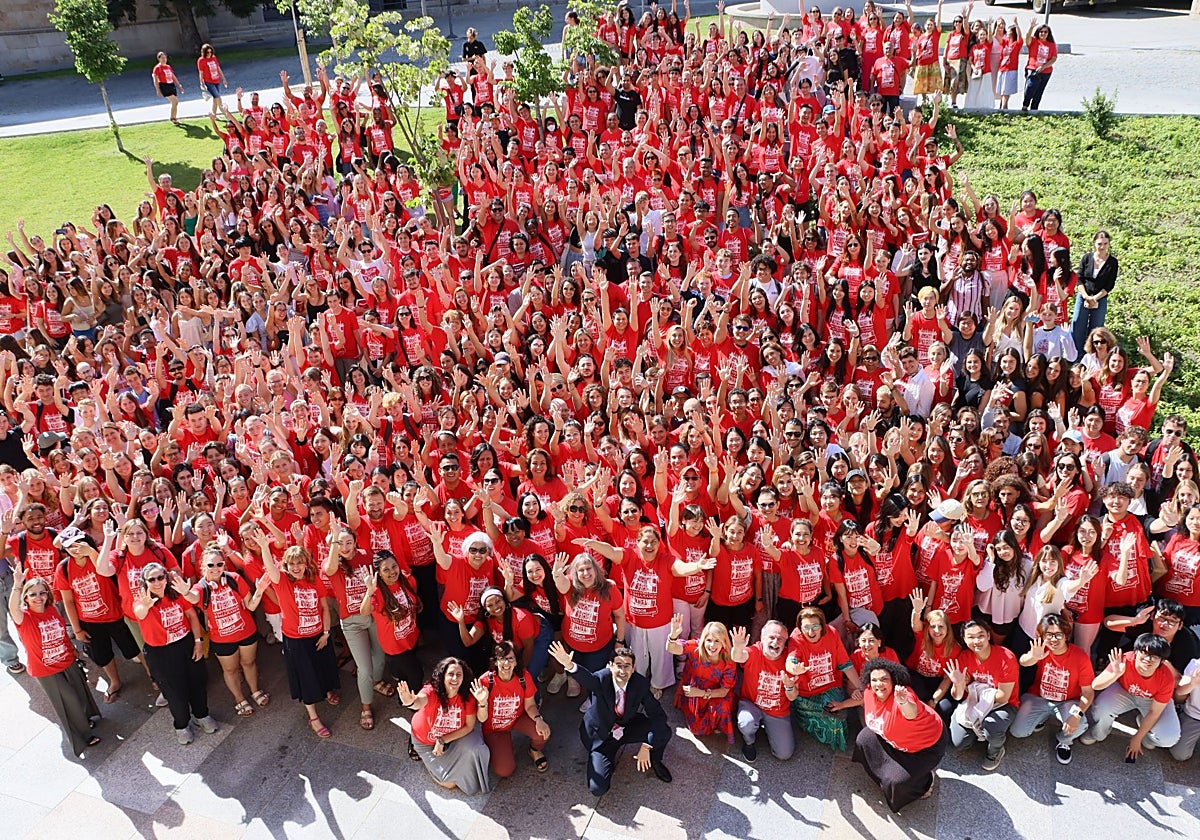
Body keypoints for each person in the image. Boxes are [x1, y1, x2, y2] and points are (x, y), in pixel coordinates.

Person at [548, 639, 673, 796]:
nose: (622, 671)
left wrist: (647, 745)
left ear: (633, 668)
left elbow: (658, 714)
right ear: (610, 666)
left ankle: (655, 759)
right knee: (597, 788)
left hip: (627, 725)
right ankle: (604, 758)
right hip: (602, 736)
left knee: (663, 731)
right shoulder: (601, 679)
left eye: (627, 666)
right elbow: (588, 679)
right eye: (618, 665)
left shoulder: (639, 683)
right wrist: (569, 665)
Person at [9, 564, 101, 756]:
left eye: (42, 593)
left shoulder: (52, 610)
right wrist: (17, 584)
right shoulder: (24, 617)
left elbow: (61, 633)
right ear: (25, 597)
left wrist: (72, 650)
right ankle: (83, 735)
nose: (38, 597)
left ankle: (84, 720)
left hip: (67, 660)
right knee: (68, 700)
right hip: (45, 670)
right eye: (33, 594)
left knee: (79, 693)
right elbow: (12, 607)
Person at [256, 537, 340, 738]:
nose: (296, 567)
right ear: (286, 566)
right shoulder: (282, 582)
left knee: (324, 668)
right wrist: (264, 547)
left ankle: (327, 690)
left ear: (306, 564)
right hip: (296, 641)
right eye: (291, 564)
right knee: (306, 677)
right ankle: (313, 717)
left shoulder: (314, 579)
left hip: (318, 635)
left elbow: (324, 608)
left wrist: (326, 633)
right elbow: (271, 568)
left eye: (299, 563)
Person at [133, 563, 217, 744]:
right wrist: (145, 606)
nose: (157, 582)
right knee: (175, 692)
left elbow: (192, 616)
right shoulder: (142, 600)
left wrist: (198, 642)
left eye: (160, 577)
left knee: (198, 682)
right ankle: (182, 725)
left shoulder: (176, 594)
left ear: (166, 578)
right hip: (161, 653)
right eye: (151, 579)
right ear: (145, 582)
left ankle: (201, 715)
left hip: (185, 644)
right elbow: (139, 613)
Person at [182, 544, 270, 716]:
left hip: (246, 632)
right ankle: (239, 698)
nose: (216, 568)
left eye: (219, 564)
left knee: (249, 663)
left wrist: (259, 591)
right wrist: (185, 592)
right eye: (211, 565)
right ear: (203, 566)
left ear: (224, 564)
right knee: (230, 670)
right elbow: (193, 598)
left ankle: (254, 690)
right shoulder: (201, 588)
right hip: (222, 640)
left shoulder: (234, 579)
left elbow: (251, 606)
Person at [852, 657, 946, 813]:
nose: (878, 684)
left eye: (884, 679)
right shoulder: (869, 692)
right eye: (874, 680)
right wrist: (841, 704)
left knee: (897, 782)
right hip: (894, 739)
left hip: (924, 747)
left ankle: (926, 781)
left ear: (893, 681)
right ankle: (884, 776)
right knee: (864, 739)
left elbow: (911, 712)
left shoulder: (903, 695)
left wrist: (903, 702)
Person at [400, 657, 493, 794]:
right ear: (443, 675)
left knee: (475, 748)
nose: (455, 678)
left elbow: (469, 726)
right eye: (450, 674)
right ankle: (424, 758)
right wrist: (410, 701)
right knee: (449, 784)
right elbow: (419, 701)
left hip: (452, 738)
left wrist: (443, 740)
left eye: (459, 674)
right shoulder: (432, 690)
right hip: (426, 741)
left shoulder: (467, 696)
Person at [1010, 612, 1094, 764]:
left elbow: (1088, 692)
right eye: (1049, 635)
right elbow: (1023, 662)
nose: (1054, 639)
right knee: (1017, 732)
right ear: (1042, 636)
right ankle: (1041, 717)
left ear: (1066, 635)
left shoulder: (1080, 657)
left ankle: (1064, 741)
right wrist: (1034, 656)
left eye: (1058, 634)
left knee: (1080, 724)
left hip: (1067, 701)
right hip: (1038, 697)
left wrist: (1076, 715)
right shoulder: (1042, 650)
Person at [1082, 634, 1181, 759]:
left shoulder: (1166, 678)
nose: (1148, 659)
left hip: (1152, 700)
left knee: (1169, 737)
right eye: (1144, 652)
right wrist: (1115, 674)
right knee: (1101, 708)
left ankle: (1147, 735)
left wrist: (1137, 738)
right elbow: (1095, 685)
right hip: (1125, 690)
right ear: (1136, 652)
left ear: (1162, 661)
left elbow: (1154, 712)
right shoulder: (1124, 660)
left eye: (1155, 656)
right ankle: (1099, 733)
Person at [939, 619, 1018, 771]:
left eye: (980, 635)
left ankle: (996, 749)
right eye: (971, 637)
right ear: (964, 639)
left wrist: (975, 690)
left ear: (988, 635)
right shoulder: (964, 657)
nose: (976, 641)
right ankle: (977, 732)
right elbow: (957, 696)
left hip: (1002, 705)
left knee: (991, 726)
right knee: (957, 743)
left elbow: (1003, 696)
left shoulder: (1005, 657)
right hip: (972, 702)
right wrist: (958, 684)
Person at [472, 641, 551, 777]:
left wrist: (539, 720)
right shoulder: (485, 681)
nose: (506, 663)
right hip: (494, 728)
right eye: (502, 658)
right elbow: (482, 719)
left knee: (542, 733)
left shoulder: (524, 677)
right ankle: (502, 746)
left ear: (516, 662)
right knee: (505, 770)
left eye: (510, 658)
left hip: (517, 718)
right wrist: (482, 702)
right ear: (495, 662)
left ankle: (534, 750)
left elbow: (530, 705)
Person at [666, 614, 738, 744]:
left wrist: (702, 693)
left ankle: (717, 723)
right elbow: (672, 648)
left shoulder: (729, 659)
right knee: (697, 729)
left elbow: (724, 691)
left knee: (723, 708)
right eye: (709, 640)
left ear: (724, 642)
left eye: (717, 641)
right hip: (695, 687)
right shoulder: (696, 647)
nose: (712, 645)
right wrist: (673, 636)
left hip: (715, 692)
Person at [731, 621, 796, 762]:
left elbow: (792, 697)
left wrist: (790, 686)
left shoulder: (790, 660)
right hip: (751, 704)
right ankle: (749, 742)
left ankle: (770, 728)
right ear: (762, 638)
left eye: (780, 639)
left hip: (777, 711)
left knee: (784, 754)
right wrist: (737, 648)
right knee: (746, 723)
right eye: (771, 637)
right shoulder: (755, 651)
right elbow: (738, 657)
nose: (775, 642)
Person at [1070, 231, 1118, 354]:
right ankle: (1075, 355)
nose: (1102, 247)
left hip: (1100, 298)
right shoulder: (1087, 258)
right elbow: (1079, 278)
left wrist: (1095, 298)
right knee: (1077, 325)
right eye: (1099, 244)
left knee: (1097, 329)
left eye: (1105, 244)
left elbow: (1110, 284)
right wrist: (1086, 296)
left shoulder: (1112, 262)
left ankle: (1093, 355)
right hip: (1084, 296)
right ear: (1094, 243)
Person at [1021, 21, 1057, 112]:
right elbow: (1027, 39)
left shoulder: (1051, 44)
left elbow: (1054, 58)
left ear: (1048, 34)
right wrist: (1031, 27)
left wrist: (1044, 67)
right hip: (1033, 69)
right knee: (1030, 87)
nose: (1043, 34)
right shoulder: (1034, 41)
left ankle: (1034, 110)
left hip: (1046, 72)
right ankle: (1025, 105)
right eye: (1041, 31)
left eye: (1045, 32)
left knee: (1039, 92)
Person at [152, 52, 184, 125]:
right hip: (164, 86)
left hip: (171, 85)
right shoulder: (157, 68)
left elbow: (173, 76)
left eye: (165, 58)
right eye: (162, 58)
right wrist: (158, 90)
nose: (164, 59)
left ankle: (173, 118)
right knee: (175, 101)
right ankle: (173, 118)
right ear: (159, 59)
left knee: (175, 103)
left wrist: (179, 85)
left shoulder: (168, 67)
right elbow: (155, 80)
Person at [196, 44, 227, 113]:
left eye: (210, 52)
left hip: (216, 80)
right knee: (218, 97)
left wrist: (223, 78)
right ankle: (226, 114)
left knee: (215, 99)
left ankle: (214, 114)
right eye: (207, 52)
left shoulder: (213, 57)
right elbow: (201, 73)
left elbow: (218, 68)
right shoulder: (201, 60)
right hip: (208, 82)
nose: (209, 54)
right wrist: (202, 83)